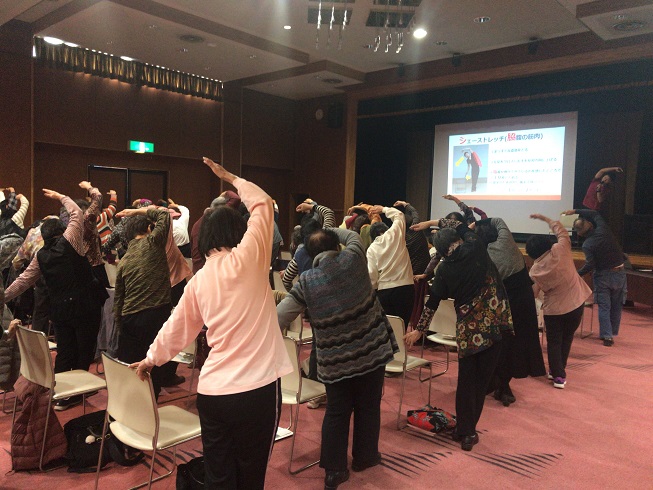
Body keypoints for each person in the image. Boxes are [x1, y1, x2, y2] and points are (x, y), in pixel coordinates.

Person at [131, 158, 292, 490]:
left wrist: (151, 359)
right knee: (250, 476)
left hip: (212, 393)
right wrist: (231, 178)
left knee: (219, 476)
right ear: (238, 233)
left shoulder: (199, 280)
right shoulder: (250, 258)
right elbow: (263, 203)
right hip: (256, 391)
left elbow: (177, 327)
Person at [277, 225, 398, 490]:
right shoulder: (354, 258)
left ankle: (334, 471)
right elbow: (352, 235)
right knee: (369, 406)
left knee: (336, 412)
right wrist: (328, 228)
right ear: (336, 246)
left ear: (311, 255)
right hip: (371, 351)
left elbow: (280, 317)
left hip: (335, 362)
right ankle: (365, 457)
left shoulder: (306, 282)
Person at [406, 218, 513, 452]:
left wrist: (419, 330)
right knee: (481, 384)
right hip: (493, 326)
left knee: (466, 383)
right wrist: (432, 222)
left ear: (441, 251)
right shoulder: (474, 246)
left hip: (468, 332)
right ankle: (468, 432)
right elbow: (463, 223)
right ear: (458, 240)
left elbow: (432, 303)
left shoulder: (443, 270)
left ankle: (464, 429)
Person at [3, 189, 106, 410]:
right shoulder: (70, 241)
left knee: (65, 351)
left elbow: (23, 281)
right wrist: (60, 197)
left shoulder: (41, 255)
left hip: (60, 311)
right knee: (84, 350)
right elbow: (76, 213)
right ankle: (77, 393)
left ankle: (60, 393)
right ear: (61, 231)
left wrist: (2, 297)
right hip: (85, 307)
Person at [474, 215, 546, 406]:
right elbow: (498, 220)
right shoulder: (508, 244)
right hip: (522, 303)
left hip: (498, 304)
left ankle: (496, 383)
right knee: (516, 346)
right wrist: (479, 221)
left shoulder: (481, 255)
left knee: (497, 346)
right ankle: (502, 385)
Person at [113, 203, 171, 399]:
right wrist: (138, 211)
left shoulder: (124, 259)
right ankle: (150, 403)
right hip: (155, 313)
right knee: (152, 364)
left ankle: (130, 405)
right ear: (148, 228)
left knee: (131, 366)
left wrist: (120, 325)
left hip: (129, 318)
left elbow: (118, 298)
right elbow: (164, 215)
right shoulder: (153, 242)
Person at [527, 214, 592, 388]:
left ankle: (558, 374)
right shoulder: (561, 249)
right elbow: (562, 232)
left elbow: (534, 292)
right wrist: (546, 220)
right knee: (567, 338)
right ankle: (558, 372)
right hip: (576, 301)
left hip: (554, 309)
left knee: (554, 342)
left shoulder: (535, 270)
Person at [567, 208, 627, 346]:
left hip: (603, 275)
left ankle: (607, 336)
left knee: (604, 306)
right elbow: (594, 214)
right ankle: (611, 332)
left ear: (580, 234)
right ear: (590, 224)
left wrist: (576, 275)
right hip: (620, 272)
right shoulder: (603, 229)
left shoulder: (588, 245)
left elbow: (590, 265)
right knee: (616, 305)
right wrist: (575, 211)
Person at [366, 203, 415, 330]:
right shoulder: (395, 234)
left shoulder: (371, 249)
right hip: (405, 288)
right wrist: (383, 209)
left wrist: (375, 289)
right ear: (386, 229)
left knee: (389, 329)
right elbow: (399, 215)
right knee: (403, 327)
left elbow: (372, 275)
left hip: (385, 290)